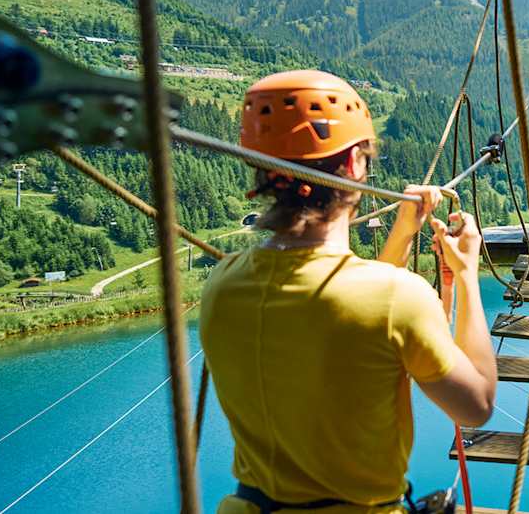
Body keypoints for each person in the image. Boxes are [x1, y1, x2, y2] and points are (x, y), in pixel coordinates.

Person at [200, 70, 497, 513]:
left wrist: (401, 233)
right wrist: (468, 274)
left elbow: (350, 309)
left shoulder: (223, 284)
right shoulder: (399, 298)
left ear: (261, 168)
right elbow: (476, 405)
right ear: (356, 164)